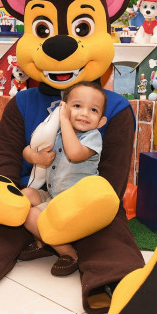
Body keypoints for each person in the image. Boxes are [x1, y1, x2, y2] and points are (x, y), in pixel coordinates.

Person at [20, 82, 107, 276]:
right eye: (77, 106)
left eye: (93, 110)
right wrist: (35, 157)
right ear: (64, 107)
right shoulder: (56, 131)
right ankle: (42, 242)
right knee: (25, 195)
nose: (84, 113)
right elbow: (28, 148)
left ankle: (68, 253)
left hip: (76, 204)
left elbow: (74, 153)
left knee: (31, 216)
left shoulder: (92, 137)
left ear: (101, 121)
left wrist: (65, 120)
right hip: (54, 196)